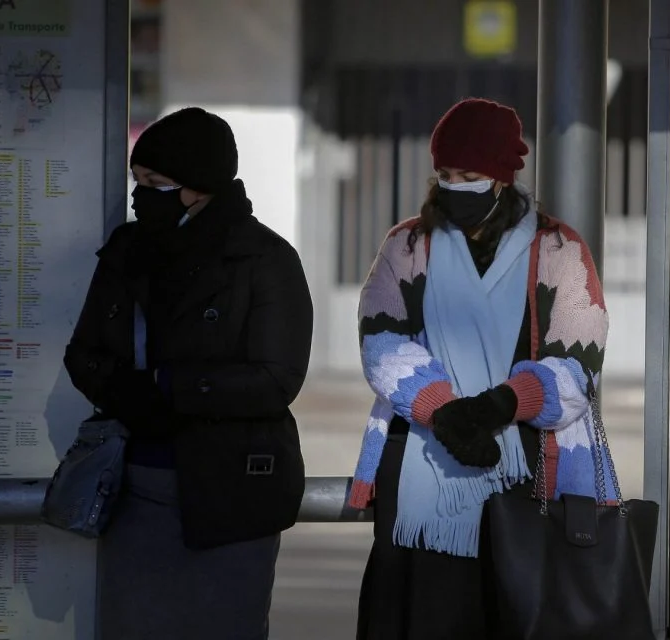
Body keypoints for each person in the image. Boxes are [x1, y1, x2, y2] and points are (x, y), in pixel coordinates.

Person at [348, 97, 615, 639]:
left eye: (468, 175)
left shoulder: (559, 250)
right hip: (423, 465)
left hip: (529, 475)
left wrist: (501, 404)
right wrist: (445, 411)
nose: (453, 186)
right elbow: (380, 338)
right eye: (444, 174)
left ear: (501, 177)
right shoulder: (408, 245)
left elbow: (578, 362)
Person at [63, 107, 313, 640]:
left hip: (233, 498)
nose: (139, 196)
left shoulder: (264, 259)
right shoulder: (128, 251)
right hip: (134, 491)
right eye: (138, 181)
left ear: (197, 187)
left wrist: (171, 389)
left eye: (154, 183)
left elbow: (277, 378)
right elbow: (84, 352)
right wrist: (125, 393)